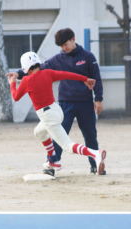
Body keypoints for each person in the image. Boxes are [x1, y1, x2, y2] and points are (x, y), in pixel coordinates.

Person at [7, 28, 105, 174]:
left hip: (84, 102)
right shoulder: (55, 62)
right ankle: (53, 163)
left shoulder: (88, 56)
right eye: (61, 46)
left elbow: (94, 76)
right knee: (48, 134)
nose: (64, 48)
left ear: (73, 39)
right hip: (64, 103)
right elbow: (48, 71)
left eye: (65, 44)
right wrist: (19, 74)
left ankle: (95, 162)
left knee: (86, 136)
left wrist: (98, 99)